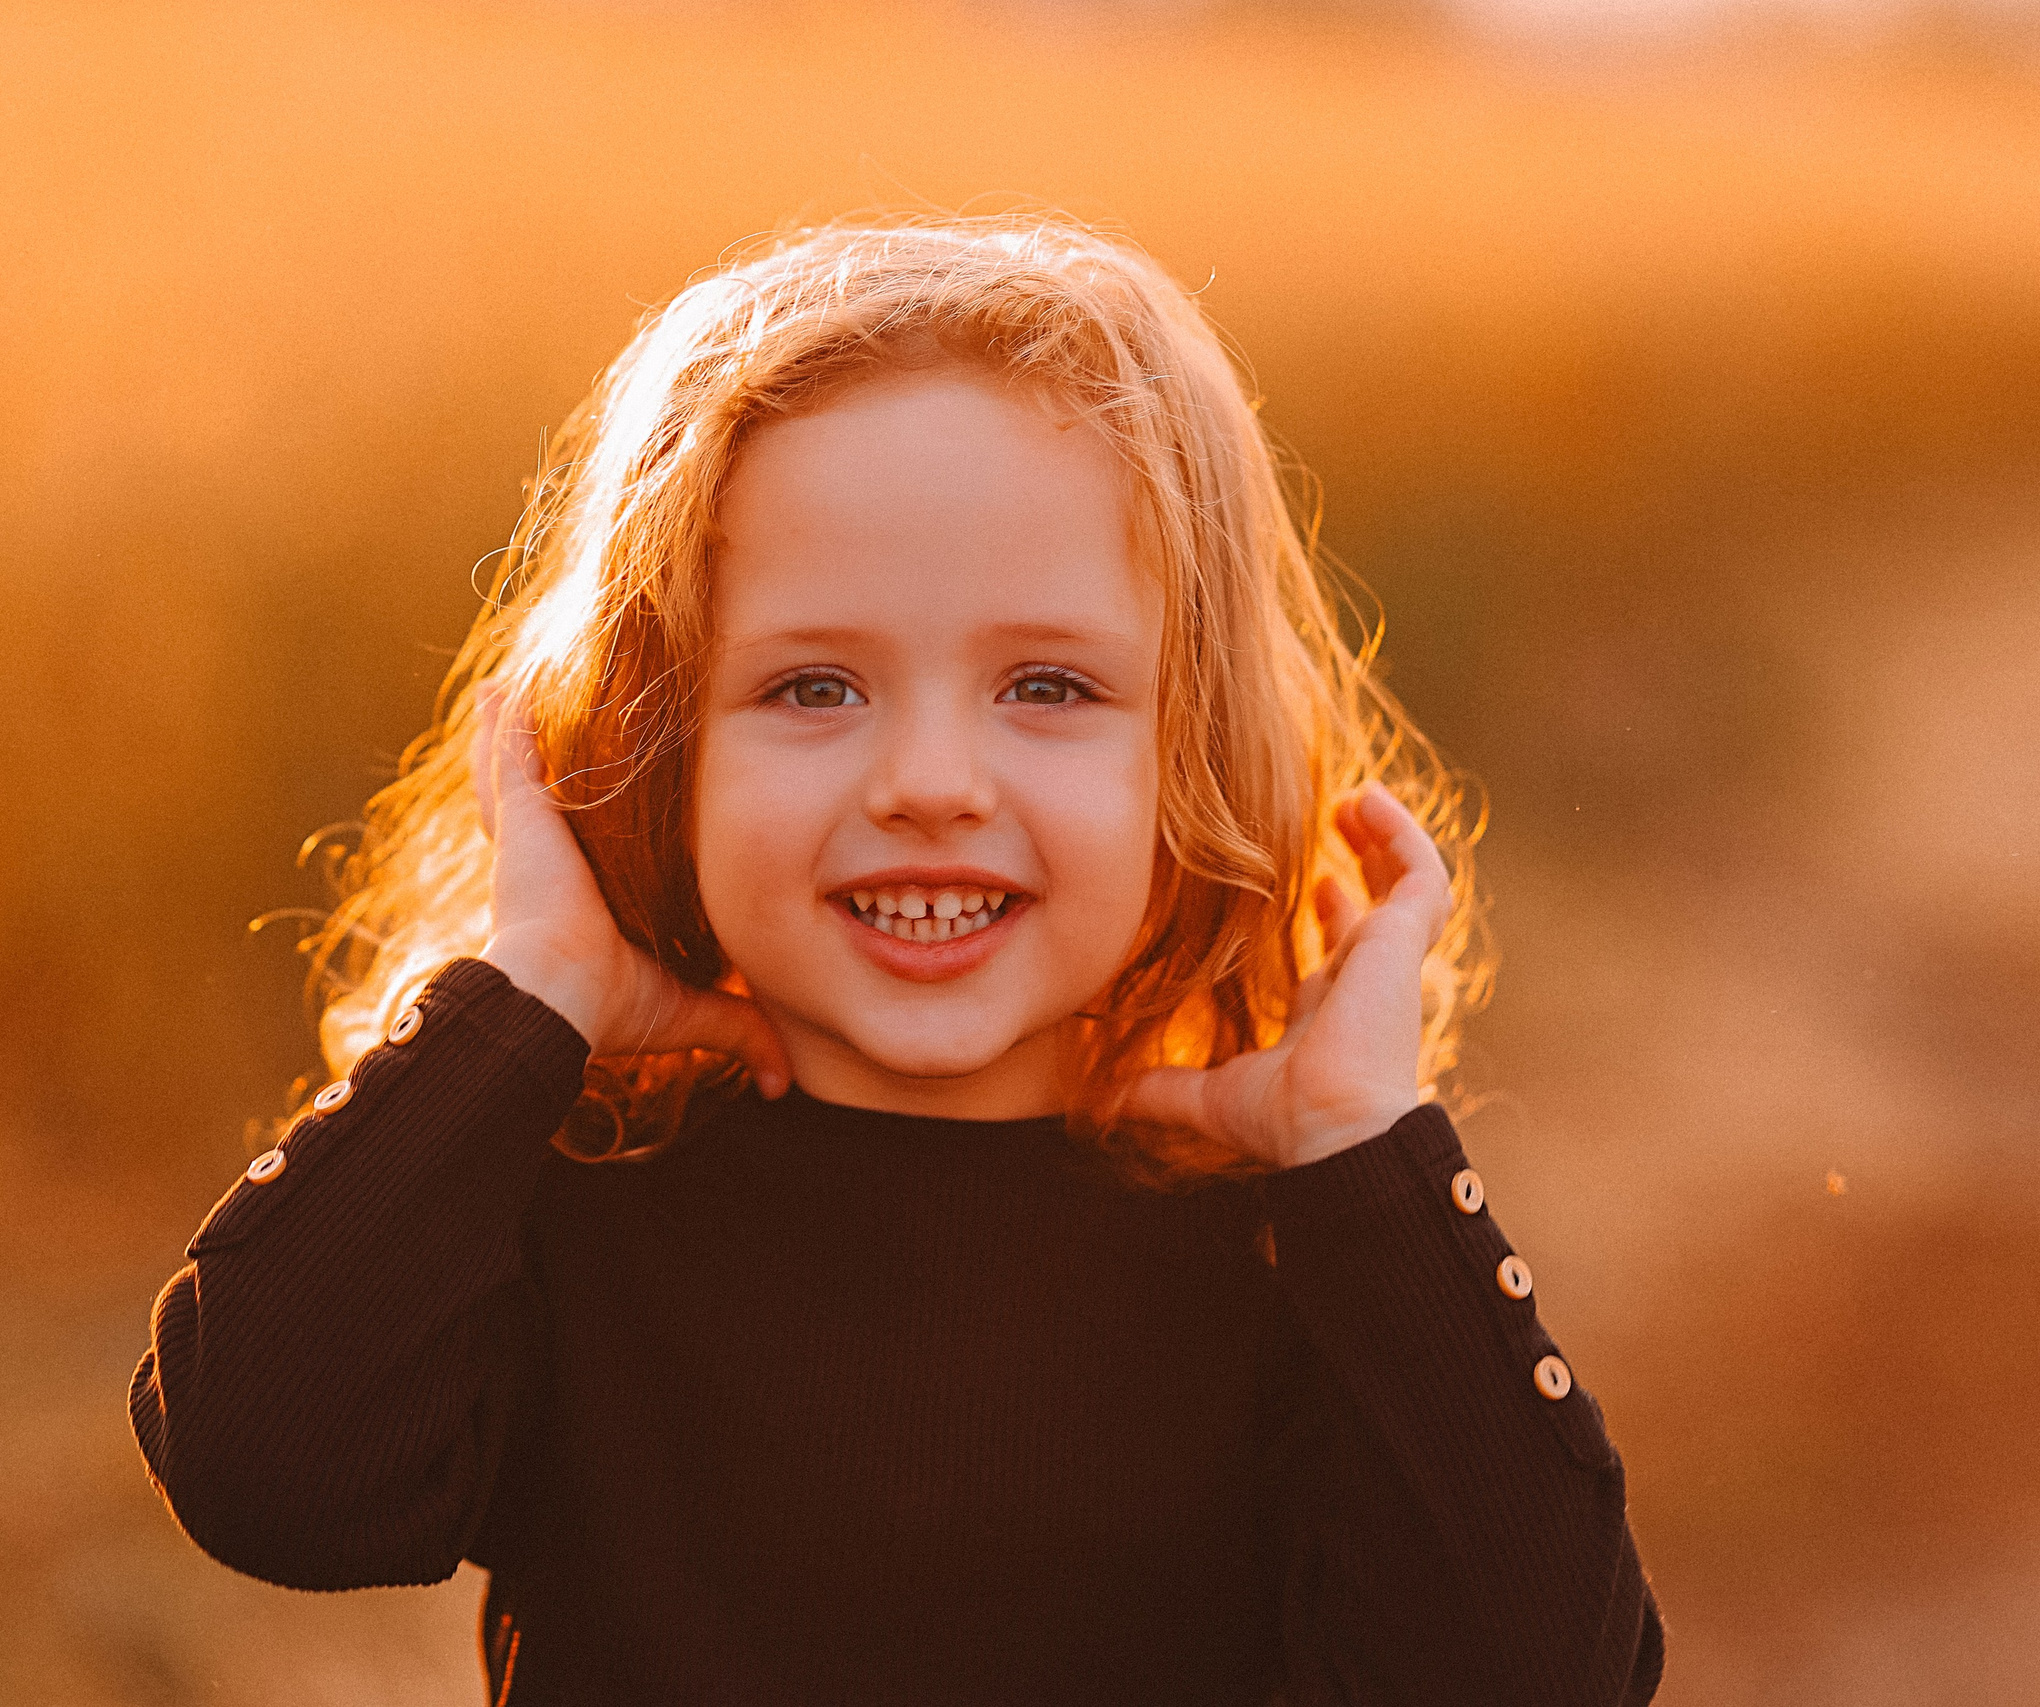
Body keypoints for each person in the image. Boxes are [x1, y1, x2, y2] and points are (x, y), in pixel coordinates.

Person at [129, 215, 1663, 1705]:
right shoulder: (577, 1193)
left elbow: (1533, 1672)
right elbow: (267, 1470)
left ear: (1191, 748)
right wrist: (525, 995)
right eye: (813, 688)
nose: (931, 780)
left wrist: (1360, 1154)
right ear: (650, 744)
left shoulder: (1288, 1256)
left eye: (1047, 685)